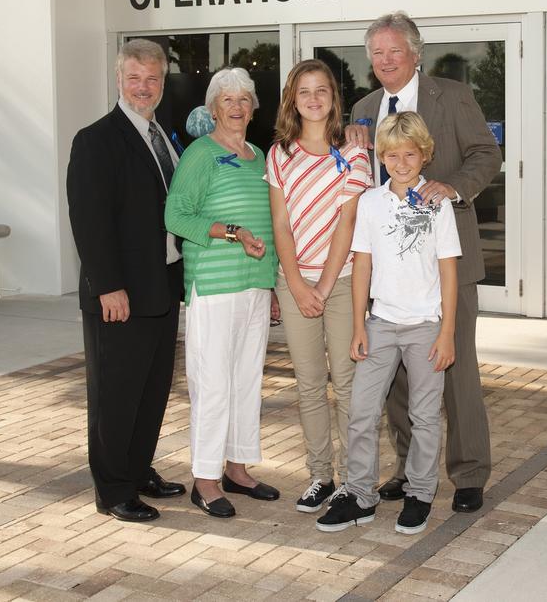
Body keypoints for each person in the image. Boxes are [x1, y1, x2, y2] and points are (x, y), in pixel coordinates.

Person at [345, 11, 501, 514]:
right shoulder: (364, 108)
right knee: (395, 379)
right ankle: (411, 469)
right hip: (388, 268)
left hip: (447, 259)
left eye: (395, 51)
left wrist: (453, 189)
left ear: (416, 53)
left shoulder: (451, 96)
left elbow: (485, 154)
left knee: (452, 368)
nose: (386, 61)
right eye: (377, 54)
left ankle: (469, 473)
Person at [317, 112, 459, 535]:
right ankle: (360, 495)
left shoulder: (438, 203)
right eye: (392, 155)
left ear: (424, 155)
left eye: (410, 154)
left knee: (424, 415)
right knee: (361, 411)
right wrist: (360, 325)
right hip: (380, 323)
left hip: (426, 327)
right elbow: (362, 265)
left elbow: (448, 271)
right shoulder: (370, 203)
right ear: (381, 157)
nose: (401, 163)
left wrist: (447, 331)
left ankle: (419, 493)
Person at [66, 39, 187, 523]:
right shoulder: (96, 139)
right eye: (135, 78)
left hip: (160, 289)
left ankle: (138, 471)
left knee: (151, 390)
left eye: (152, 79)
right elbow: (89, 221)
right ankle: (113, 489)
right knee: (115, 395)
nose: (144, 87)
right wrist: (107, 285)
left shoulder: (162, 135)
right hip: (121, 296)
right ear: (119, 80)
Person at [165, 66, 281, 519]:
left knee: (247, 380)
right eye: (226, 100)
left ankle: (237, 468)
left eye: (243, 99)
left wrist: (271, 284)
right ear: (213, 108)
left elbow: (272, 227)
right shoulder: (200, 154)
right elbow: (176, 216)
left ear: (254, 108)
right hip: (212, 285)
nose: (236, 107)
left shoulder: (260, 156)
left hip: (254, 285)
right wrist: (228, 231)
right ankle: (205, 479)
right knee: (212, 382)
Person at [267, 59, 371, 512]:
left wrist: (323, 288)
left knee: (347, 384)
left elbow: (348, 222)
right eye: (304, 91)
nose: (313, 99)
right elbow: (280, 224)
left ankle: (354, 479)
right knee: (309, 384)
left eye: (321, 90)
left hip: (342, 281)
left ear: (334, 98)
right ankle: (320, 476)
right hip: (294, 283)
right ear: (293, 98)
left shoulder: (354, 153)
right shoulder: (279, 154)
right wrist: (295, 284)